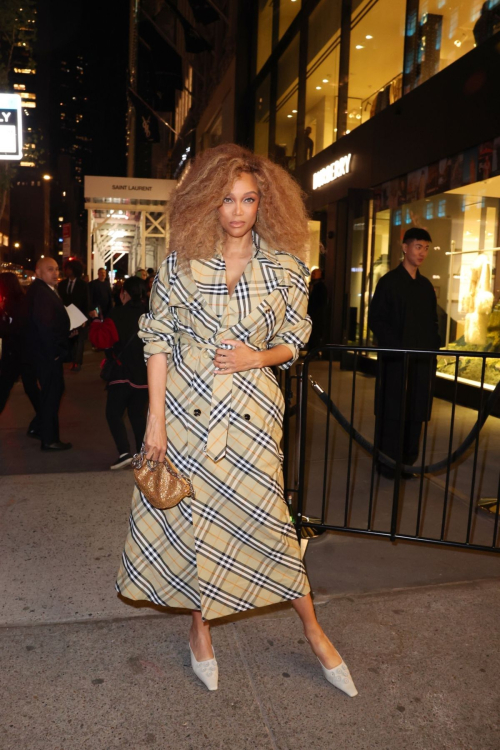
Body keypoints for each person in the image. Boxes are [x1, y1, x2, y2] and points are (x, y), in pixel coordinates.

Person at [115, 144, 358, 696]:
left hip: (250, 418)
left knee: (269, 523)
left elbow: (296, 339)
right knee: (195, 523)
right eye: (226, 199)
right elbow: (157, 339)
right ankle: (200, 632)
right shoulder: (179, 265)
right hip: (185, 413)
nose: (237, 210)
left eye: (249, 199)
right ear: (208, 202)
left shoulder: (287, 270)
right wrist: (155, 422)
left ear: (264, 204)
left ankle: (315, 632)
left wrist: (257, 356)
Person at [368, 228, 440, 478]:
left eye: (426, 248)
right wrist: (396, 347)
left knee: (416, 410)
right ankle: (387, 463)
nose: (422, 253)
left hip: (421, 362)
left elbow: (432, 322)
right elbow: (376, 320)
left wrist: (432, 349)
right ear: (405, 247)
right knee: (392, 409)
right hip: (395, 361)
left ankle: (408, 462)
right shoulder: (388, 282)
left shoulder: (425, 285)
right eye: (418, 246)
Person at [89, 276, 148, 470]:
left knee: (113, 413)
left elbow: (101, 340)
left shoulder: (117, 314)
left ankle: (124, 452)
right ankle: (142, 456)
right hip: (145, 375)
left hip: (122, 374)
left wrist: (96, 321)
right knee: (138, 415)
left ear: (124, 294)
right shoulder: (150, 314)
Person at [26, 257, 72, 451]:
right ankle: (49, 439)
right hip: (47, 354)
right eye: (50, 270)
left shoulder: (43, 290)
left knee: (53, 392)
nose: (55, 273)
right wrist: (54, 352)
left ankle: (39, 428)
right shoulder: (42, 293)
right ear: (38, 272)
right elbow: (44, 326)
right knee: (52, 393)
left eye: (56, 270)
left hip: (45, 352)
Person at [0, 272, 40, 432]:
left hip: (17, 353)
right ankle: (43, 419)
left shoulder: (15, 304)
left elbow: (13, 329)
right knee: (29, 387)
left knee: (6, 387)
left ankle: (43, 418)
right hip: (21, 353)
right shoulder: (16, 301)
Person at [58, 259, 90, 372]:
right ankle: (71, 360)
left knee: (80, 340)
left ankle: (78, 362)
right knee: (70, 340)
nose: (66, 271)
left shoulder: (83, 285)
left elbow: (86, 302)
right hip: (66, 317)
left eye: (69, 268)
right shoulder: (62, 284)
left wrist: (85, 318)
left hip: (79, 316)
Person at [307, 268, 328, 352]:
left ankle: (313, 351)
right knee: (312, 333)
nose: (313, 275)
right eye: (312, 273)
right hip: (311, 313)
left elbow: (321, 302)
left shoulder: (321, 287)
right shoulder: (312, 285)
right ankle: (312, 350)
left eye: (315, 273)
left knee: (315, 333)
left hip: (317, 315)